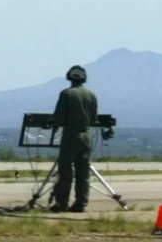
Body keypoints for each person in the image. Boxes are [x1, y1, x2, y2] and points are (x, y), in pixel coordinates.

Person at [51, 65, 98, 213]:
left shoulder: (66, 94)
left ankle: (62, 203)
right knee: (83, 173)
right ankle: (81, 204)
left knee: (65, 172)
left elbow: (58, 117)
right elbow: (93, 118)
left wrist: (54, 123)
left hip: (70, 136)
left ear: (69, 77)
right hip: (86, 137)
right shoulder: (91, 95)